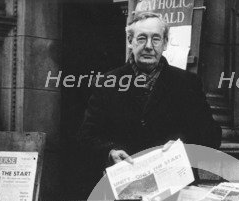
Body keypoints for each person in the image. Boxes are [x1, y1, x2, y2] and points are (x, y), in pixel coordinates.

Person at [77, 11, 221, 169]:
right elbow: (87, 136)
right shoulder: (108, 82)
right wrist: (110, 152)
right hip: (125, 186)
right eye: (142, 38)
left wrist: (184, 147)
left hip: (177, 185)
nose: (148, 46)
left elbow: (212, 136)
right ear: (130, 41)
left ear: (165, 43)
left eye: (156, 38)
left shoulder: (188, 83)